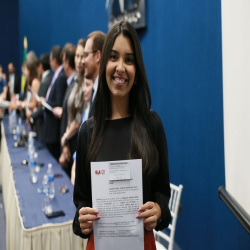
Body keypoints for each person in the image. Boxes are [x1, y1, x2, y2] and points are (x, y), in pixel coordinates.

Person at [73, 21, 171, 250]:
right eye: (113, 57)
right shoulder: (88, 132)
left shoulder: (152, 125)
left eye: (129, 60)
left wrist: (157, 210)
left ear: (137, 71)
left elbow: (162, 195)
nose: (120, 67)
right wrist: (82, 220)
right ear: (103, 62)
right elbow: (81, 204)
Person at [40, 46, 67, 160]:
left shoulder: (61, 76)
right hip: (50, 129)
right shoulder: (56, 75)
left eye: (51, 60)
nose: (50, 63)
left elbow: (58, 103)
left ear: (54, 60)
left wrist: (45, 102)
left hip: (54, 131)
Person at [70, 77, 93, 185]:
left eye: (88, 85)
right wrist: (75, 164)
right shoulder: (85, 111)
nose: (84, 89)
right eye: (84, 85)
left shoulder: (94, 115)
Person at [81, 31, 106, 118]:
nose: (82, 61)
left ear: (98, 56)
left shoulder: (105, 92)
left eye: (86, 55)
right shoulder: (95, 89)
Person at [30, 54, 52, 142]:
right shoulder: (51, 78)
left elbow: (42, 106)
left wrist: (32, 116)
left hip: (43, 125)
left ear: (40, 66)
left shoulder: (43, 82)